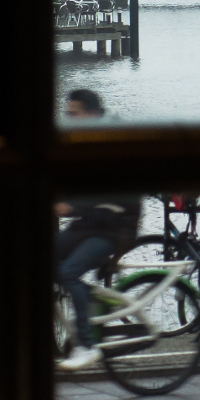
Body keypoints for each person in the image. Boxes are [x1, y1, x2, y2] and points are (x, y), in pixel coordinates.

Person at [55, 88, 140, 372]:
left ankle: (87, 345)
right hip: (89, 226)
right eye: (66, 114)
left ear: (92, 114)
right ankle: (86, 300)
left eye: (74, 114)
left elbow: (105, 190)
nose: (68, 120)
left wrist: (71, 206)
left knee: (68, 272)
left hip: (114, 229)